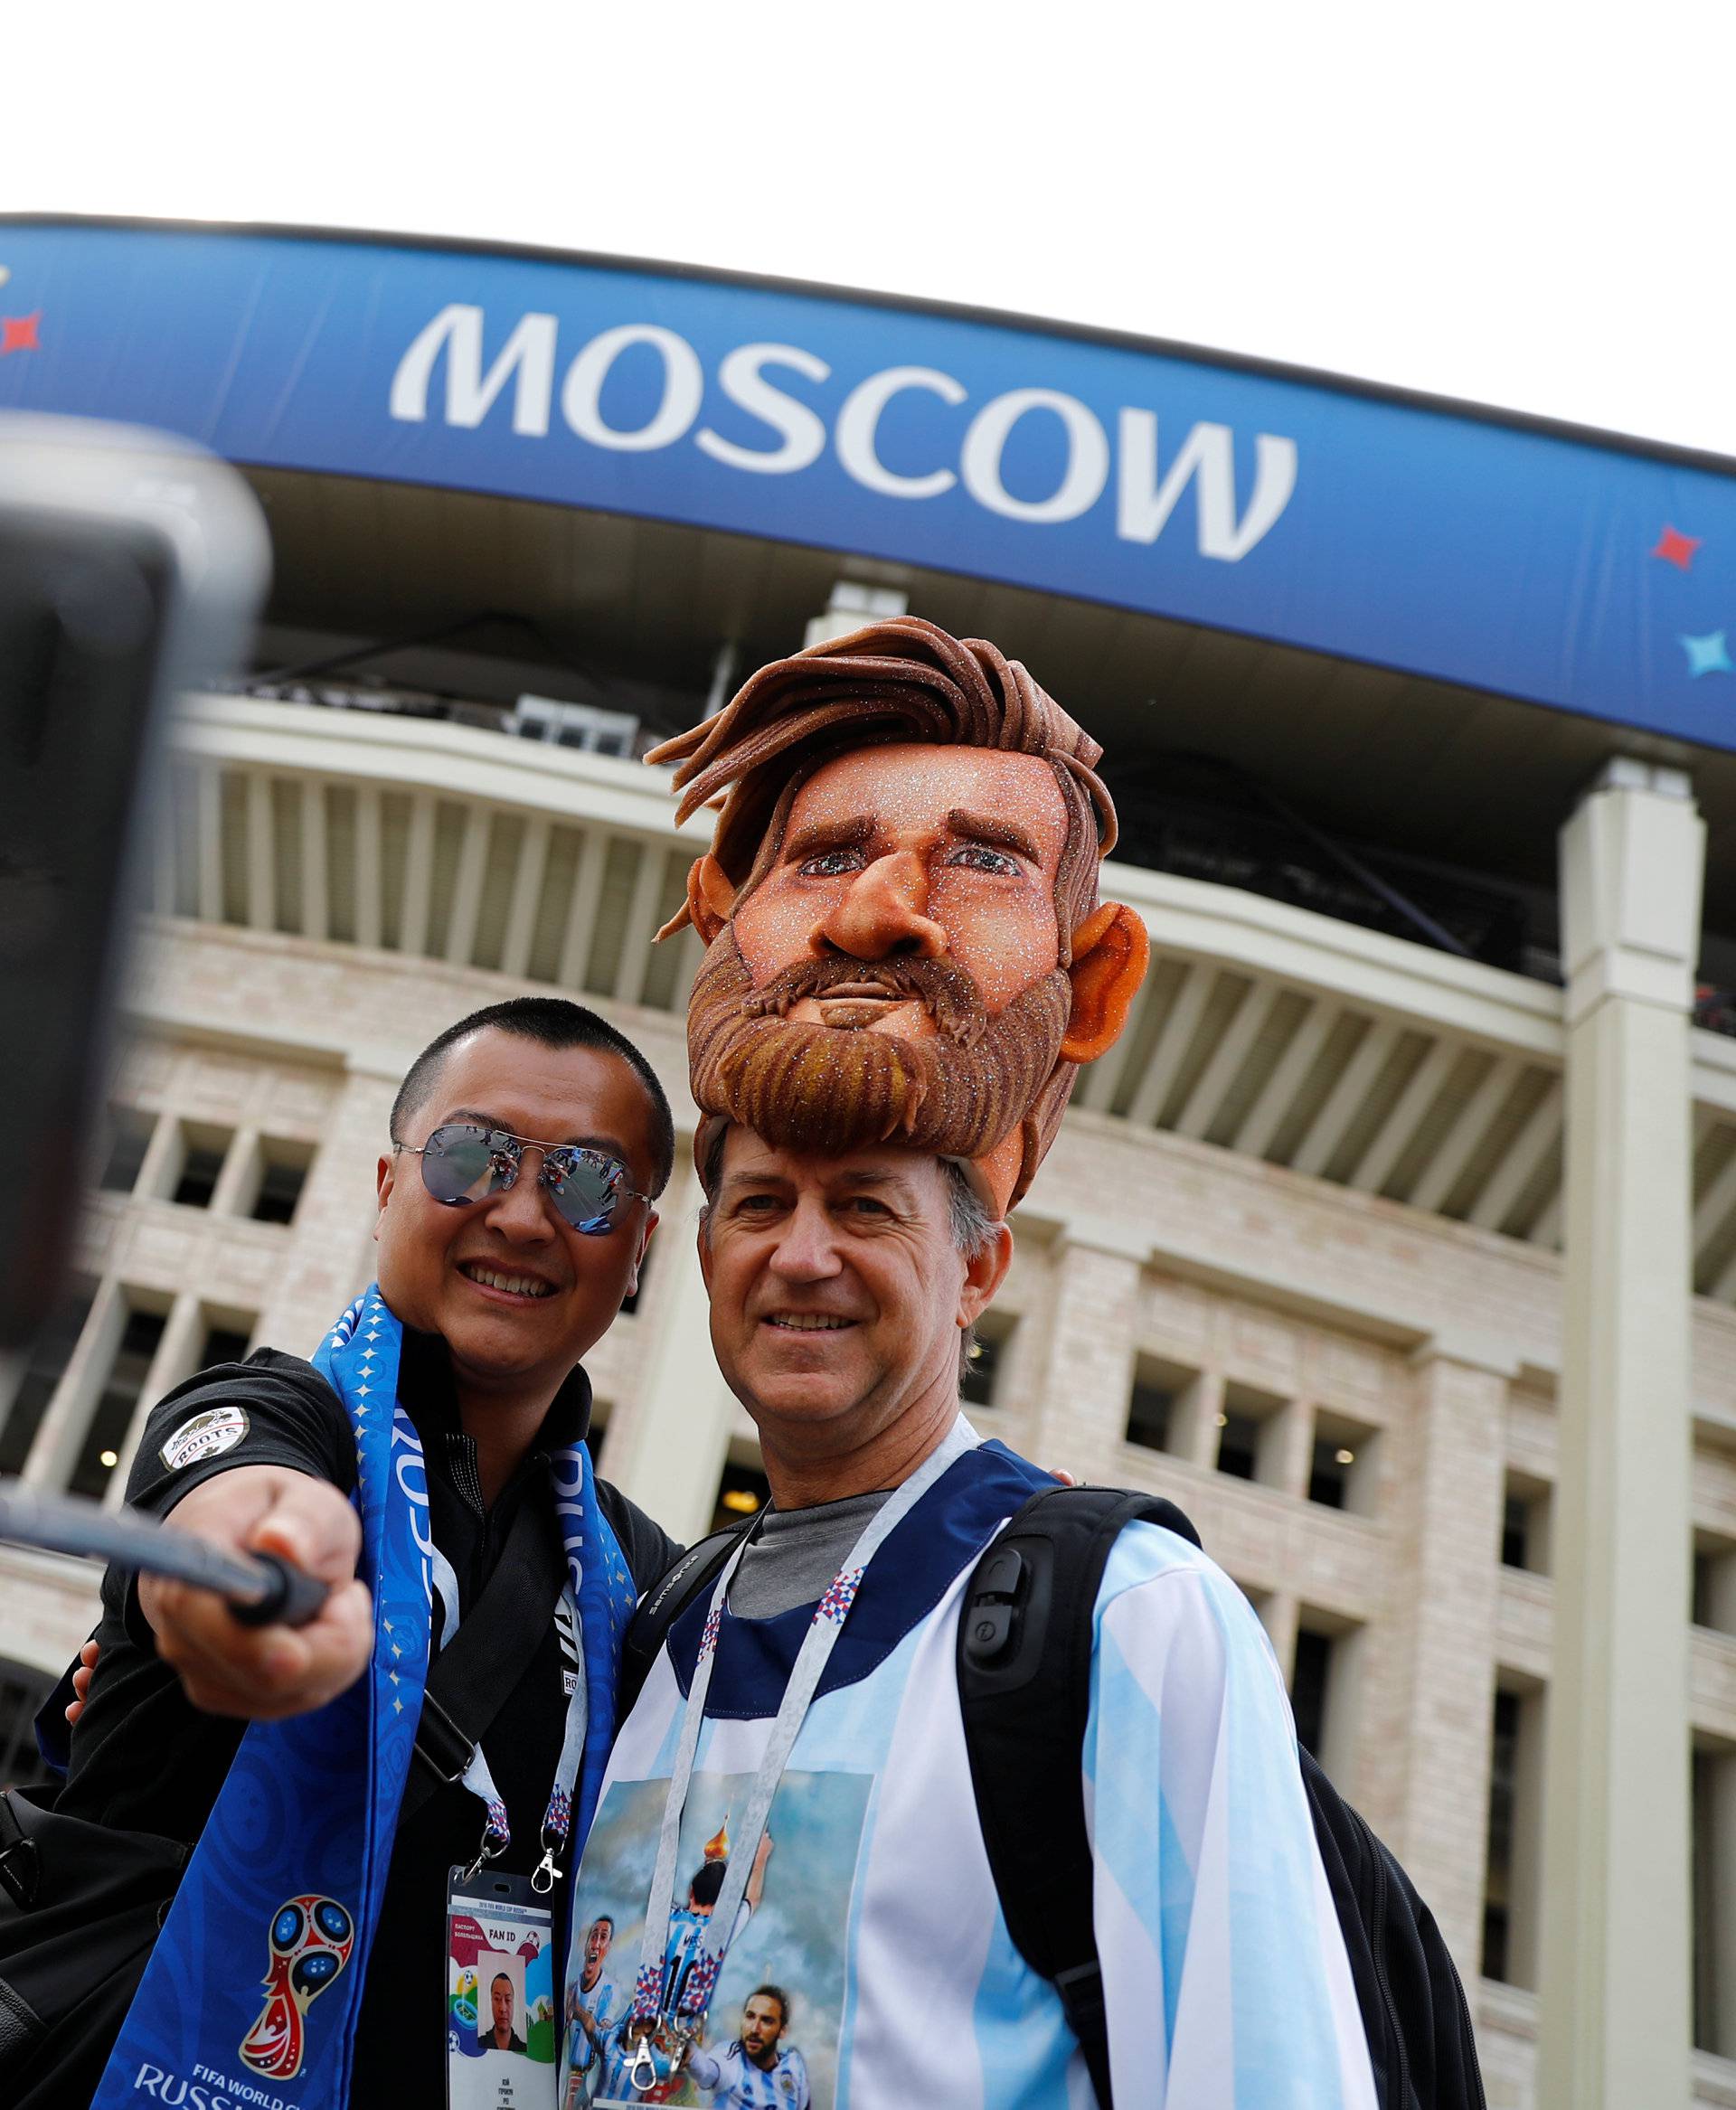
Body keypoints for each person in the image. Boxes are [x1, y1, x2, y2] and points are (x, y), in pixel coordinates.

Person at [561, 619, 1377, 2105]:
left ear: (982, 1262)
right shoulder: (649, 1632)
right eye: (761, 1202)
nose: (883, 910)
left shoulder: (1127, 1617)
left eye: (869, 1204)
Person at [21, 996, 684, 2110]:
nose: (522, 1216)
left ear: (638, 1252)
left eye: (584, 1182)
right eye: (473, 1157)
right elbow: (236, 1505)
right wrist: (258, 1583)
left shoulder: (637, 1572)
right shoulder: (276, 1415)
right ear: (387, 1187)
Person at [686, 1985, 810, 2109]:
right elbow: (707, 2071)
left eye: (766, 2021)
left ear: (782, 2031)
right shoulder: (729, 2056)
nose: (755, 2029)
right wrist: (691, 2056)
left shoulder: (793, 2065)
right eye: (750, 2017)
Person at [563, 1914, 619, 2107]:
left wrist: (577, 2010)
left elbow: (599, 2033)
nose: (596, 1943)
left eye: (603, 1937)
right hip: (566, 2077)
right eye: (593, 1936)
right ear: (587, 1944)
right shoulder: (572, 1985)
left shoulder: (610, 1990)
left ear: (608, 1947)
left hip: (590, 2082)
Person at [481, 1970, 527, 2055]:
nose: (503, 2008)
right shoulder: (480, 2044)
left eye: (508, 2000)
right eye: (497, 1999)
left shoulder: (523, 2049)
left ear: (513, 2002)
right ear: (491, 2001)